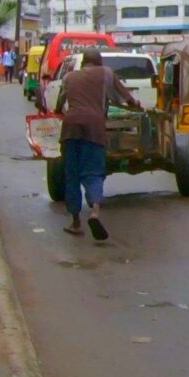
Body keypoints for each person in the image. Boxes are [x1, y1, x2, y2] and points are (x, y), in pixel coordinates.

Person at [50, 51, 135, 241]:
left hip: (70, 128)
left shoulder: (69, 76)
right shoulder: (105, 73)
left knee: (71, 174)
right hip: (94, 129)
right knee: (93, 173)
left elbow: (60, 102)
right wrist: (135, 104)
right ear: (99, 62)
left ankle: (75, 222)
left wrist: (56, 112)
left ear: (84, 63)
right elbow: (126, 96)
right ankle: (95, 210)